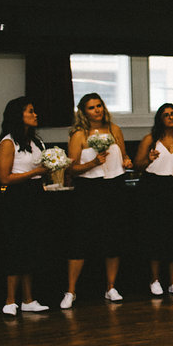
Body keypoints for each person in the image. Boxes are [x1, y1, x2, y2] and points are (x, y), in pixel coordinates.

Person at [64, 93, 133, 308]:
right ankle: (71, 291)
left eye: (99, 105)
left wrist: (127, 161)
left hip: (114, 187)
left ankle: (111, 287)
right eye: (92, 107)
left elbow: (124, 156)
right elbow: (71, 168)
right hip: (88, 190)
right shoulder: (79, 135)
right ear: (84, 112)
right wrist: (93, 162)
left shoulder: (114, 130)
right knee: (81, 241)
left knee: (112, 239)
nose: (97, 110)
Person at [0, 97, 50, 316]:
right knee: (16, 247)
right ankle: (10, 300)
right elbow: (4, 178)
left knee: (31, 247)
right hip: (17, 198)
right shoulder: (9, 142)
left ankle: (29, 299)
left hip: (35, 195)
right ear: (19, 115)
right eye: (31, 111)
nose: (35, 114)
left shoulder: (36, 142)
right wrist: (34, 173)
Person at [134, 103, 173, 297]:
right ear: (160, 119)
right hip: (153, 189)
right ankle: (155, 280)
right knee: (155, 236)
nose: (170, 117)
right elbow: (137, 166)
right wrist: (149, 159)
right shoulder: (150, 140)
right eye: (166, 115)